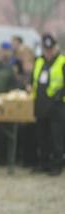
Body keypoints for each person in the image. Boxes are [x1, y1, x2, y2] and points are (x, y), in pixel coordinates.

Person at [31, 33, 64, 176]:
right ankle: (43, 163)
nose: (48, 52)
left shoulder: (62, 61)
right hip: (41, 104)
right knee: (42, 136)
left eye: (51, 49)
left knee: (57, 137)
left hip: (57, 105)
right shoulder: (39, 61)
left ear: (56, 48)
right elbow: (34, 80)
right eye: (46, 49)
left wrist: (58, 96)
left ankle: (56, 165)